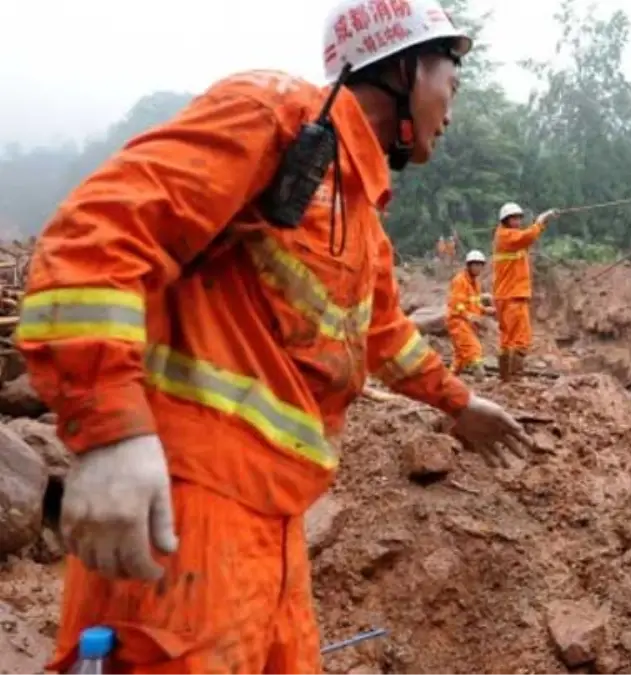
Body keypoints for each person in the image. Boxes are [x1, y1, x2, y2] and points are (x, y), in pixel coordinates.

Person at [15, 1, 531, 672]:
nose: (453, 111)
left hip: (278, 529)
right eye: (452, 85)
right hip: (190, 511)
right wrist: (111, 432)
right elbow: (94, 236)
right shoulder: (275, 119)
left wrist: (461, 404)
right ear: (406, 68)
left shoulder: (361, 218)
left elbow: (386, 338)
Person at [492, 202, 556, 381]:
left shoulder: (504, 236)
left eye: (519, 218)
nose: (518, 221)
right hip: (513, 295)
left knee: (507, 339)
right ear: (505, 220)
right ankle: (515, 376)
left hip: (504, 295)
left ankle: (505, 377)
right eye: (514, 218)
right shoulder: (507, 237)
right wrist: (542, 221)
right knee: (521, 338)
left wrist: (538, 223)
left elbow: (525, 238)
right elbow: (528, 236)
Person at [447, 250, 492, 375]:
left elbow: (474, 303)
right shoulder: (459, 281)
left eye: (480, 265)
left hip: (468, 322)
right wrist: (468, 315)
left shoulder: (475, 283)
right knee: (473, 348)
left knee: (460, 356)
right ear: (469, 265)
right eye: (475, 265)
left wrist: (484, 310)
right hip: (458, 321)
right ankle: (480, 375)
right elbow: (457, 304)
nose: (478, 268)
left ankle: (448, 379)